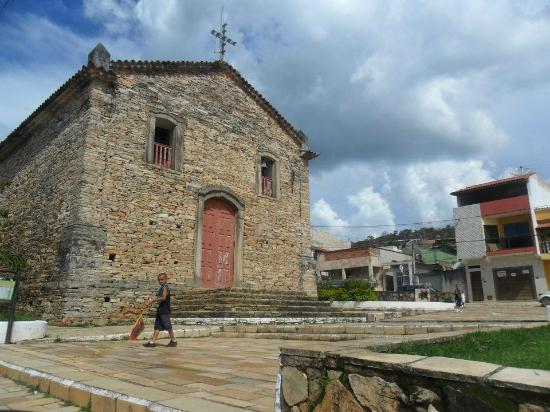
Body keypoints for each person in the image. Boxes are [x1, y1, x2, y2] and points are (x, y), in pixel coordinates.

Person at [143, 273, 177, 347]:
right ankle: (152, 342)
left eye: (162, 279)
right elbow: (158, 298)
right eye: (159, 280)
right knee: (157, 326)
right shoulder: (160, 288)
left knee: (168, 326)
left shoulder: (165, 287)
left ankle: (173, 341)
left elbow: (164, 298)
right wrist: (150, 300)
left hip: (164, 310)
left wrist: (153, 300)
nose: (160, 281)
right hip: (160, 310)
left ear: (166, 280)